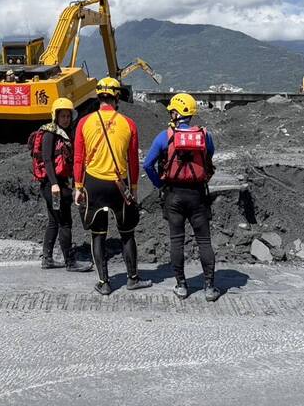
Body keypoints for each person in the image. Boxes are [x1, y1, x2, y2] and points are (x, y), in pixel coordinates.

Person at [73, 77, 152, 295]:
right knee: (127, 233)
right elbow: (133, 161)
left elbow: (79, 158)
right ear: (117, 97)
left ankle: (104, 283)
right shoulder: (129, 123)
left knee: (98, 234)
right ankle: (132, 278)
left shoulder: (83, 122)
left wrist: (78, 186)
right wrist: (134, 188)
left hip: (93, 184)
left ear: (98, 97)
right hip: (119, 185)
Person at [143, 93, 221, 302]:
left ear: (175, 112)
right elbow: (209, 158)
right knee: (204, 241)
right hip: (197, 195)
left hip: (174, 195)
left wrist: (160, 183)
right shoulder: (205, 135)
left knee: (177, 240)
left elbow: (147, 164)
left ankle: (181, 285)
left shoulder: (165, 136)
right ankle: (210, 287)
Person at [35, 98, 92, 272]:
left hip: (56, 184)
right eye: (63, 116)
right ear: (55, 116)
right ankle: (70, 262)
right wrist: (54, 184)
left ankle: (47, 259)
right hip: (53, 186)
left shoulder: (65, 134)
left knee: (54, 221)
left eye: (68, 116)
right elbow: (47, 159)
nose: (66, 119)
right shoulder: (50, 134)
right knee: (65, 222)